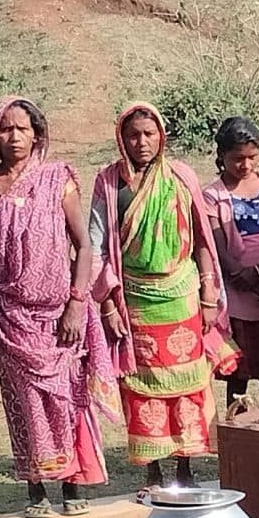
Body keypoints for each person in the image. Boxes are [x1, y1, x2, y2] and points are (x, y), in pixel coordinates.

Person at [0, 95, 115, 518]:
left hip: (60, 313)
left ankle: (72, 483)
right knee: (25, 399)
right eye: (5, 129)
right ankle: (36, 488)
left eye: (22, 129)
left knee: (68, 395)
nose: (14, 137)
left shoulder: (56, 178)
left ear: (37, 134)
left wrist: (77, 303)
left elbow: (83, 244)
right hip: (7, 314)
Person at [92, 103, 225, 489]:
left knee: (188, 386)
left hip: (182, 296)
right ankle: (153, 470)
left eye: (149, 134)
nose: (142, 142)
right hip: (134, 300)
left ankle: (185, 467)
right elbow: (99, 247)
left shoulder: (181, 177)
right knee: (142, 388)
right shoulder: (109, 184)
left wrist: (209, 292)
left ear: (161, 136)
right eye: (134, 135)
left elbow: (202, 238)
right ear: (122, 138)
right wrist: (107, 303)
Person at [202, 116, 259, 402]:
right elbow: (216, 247)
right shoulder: (212, 196)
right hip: (239, 298)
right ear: (221, 157)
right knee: (237, 375)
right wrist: (248, 280)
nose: (246, 165)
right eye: (237, 158)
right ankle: (237, 438)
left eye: (252, 157)